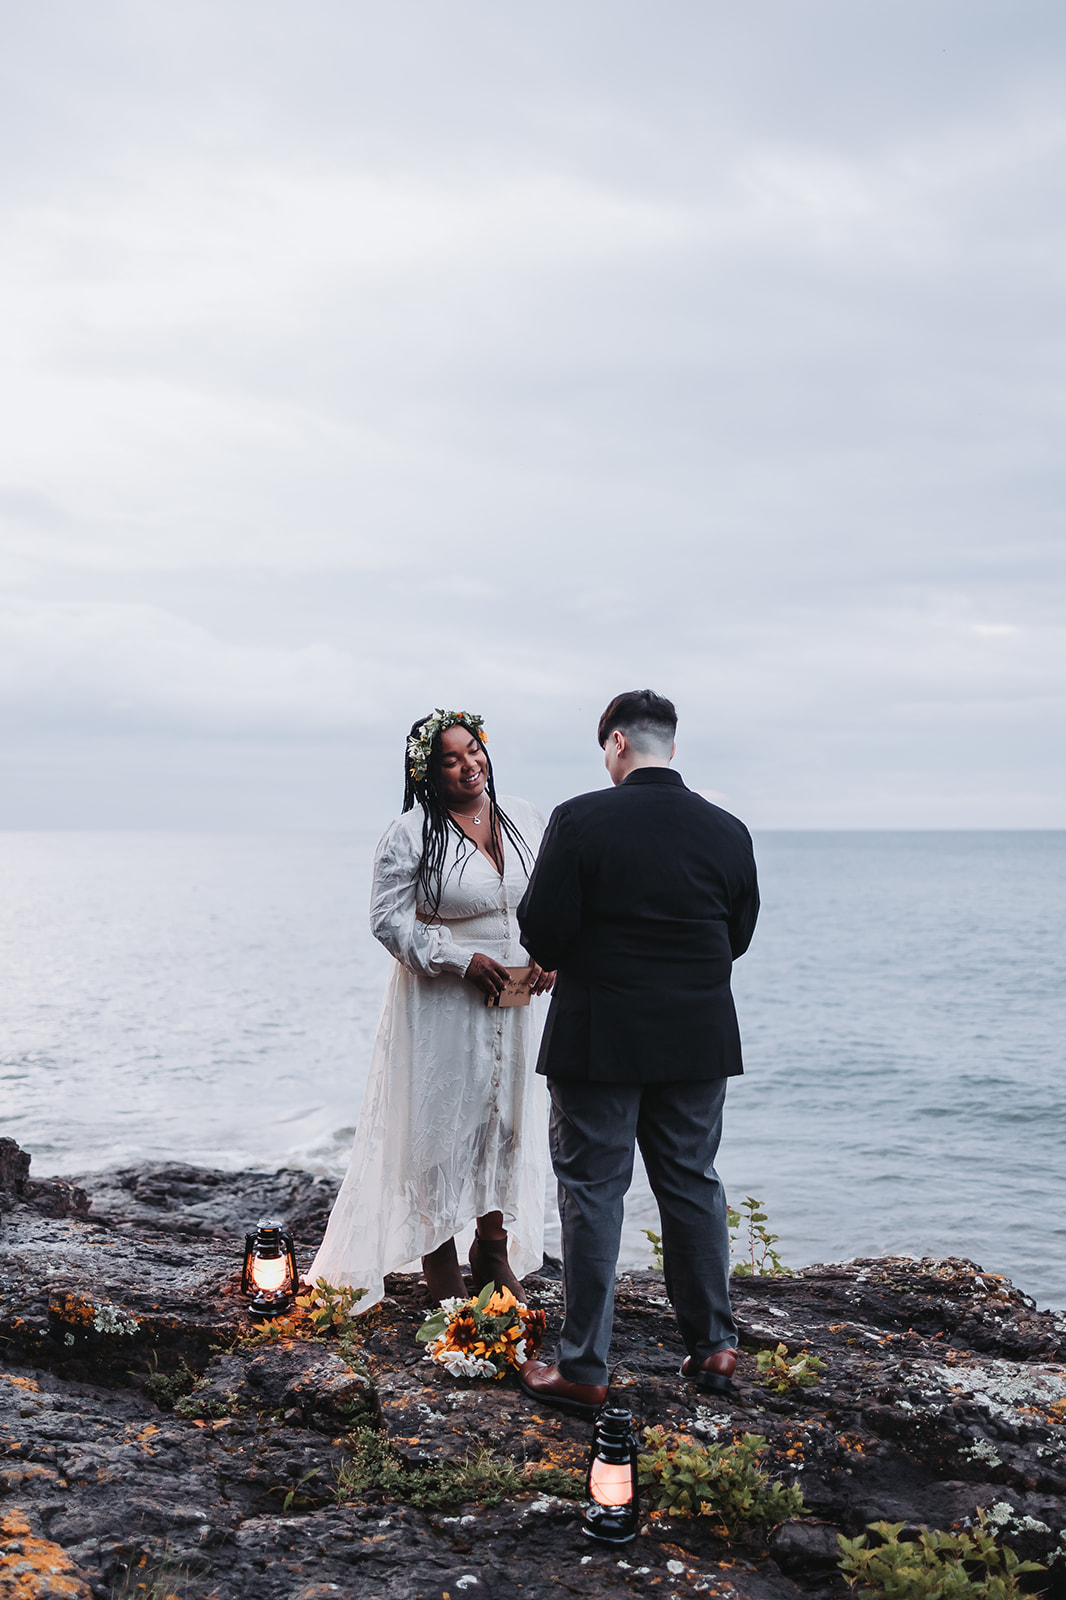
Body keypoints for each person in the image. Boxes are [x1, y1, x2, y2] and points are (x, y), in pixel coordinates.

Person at [515, 689, 759, 1418]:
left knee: (593, 1193)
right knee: (691, 1183)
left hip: (601, 1035)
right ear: (671, 747)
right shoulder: (728, 830)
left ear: (616, 744)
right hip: (697, 1034)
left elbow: (543, 934)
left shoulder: (580, 818)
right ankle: (714, 1344)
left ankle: (585, 1366)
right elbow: (736, 934)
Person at [309, 709, 554, 1310]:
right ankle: (437, 1253)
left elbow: (548, 896)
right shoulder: (410, 832)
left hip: (516, 1000)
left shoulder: (523, 816)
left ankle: (492, 1251)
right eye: (451, 758)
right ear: (428, 770)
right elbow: (386, 920)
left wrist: (551, 951)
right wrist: (458, 959)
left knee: (506, 1120)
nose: (470, 765)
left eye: (474, 750)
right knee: (440, 1122)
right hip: (443, 1000)